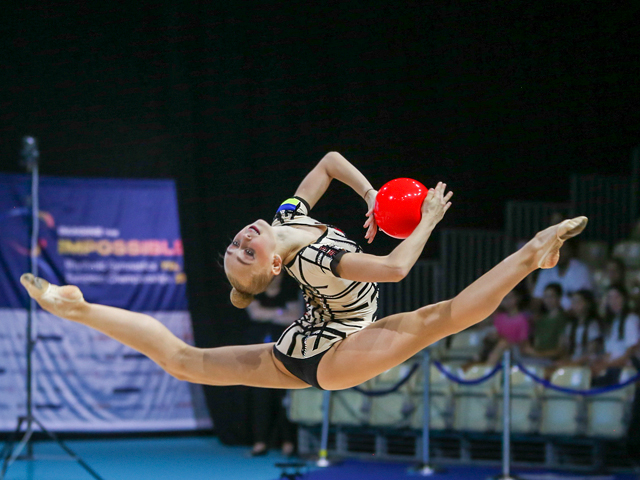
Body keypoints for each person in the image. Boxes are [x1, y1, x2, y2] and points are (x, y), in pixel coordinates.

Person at [18, 152, 589, 393]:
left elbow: (329, 163)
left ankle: (78, 307)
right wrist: (428, 219)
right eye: (245, 255)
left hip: (298, 346)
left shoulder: (288, 219)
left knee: (184, 362)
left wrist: (371, 196)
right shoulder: (316, 259)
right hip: (336, 351)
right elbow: (393, 268)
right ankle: (531, 252)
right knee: (435, 320)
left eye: (235, 244)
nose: (242, 240)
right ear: (273, 265)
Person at [244, 273, 303, 456]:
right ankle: (260, 442)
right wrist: (280, 312)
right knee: (260, 398)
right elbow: (255, 313)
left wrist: (268, 314)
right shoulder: (255, 292)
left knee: (284, 397)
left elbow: (295, 317)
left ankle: (288, 442)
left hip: (284, 354)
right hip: (259, 355)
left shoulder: (290, 292)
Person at [591, 284, 640, 386]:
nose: (613, 301)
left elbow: (629, 354)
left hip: (625, 368)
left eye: (617, 297)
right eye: (610, 298)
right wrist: (599, 362)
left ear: (624, 299)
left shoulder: (630, 320)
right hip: (612, 366)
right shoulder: (611, 323)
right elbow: (609, 353)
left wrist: (606, 365)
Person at [531, 239, 594, 311]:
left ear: (570, 250)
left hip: (574, 317)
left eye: (563, 249)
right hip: (551, 315)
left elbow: (587, 300)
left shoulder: (581, 270)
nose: (559, 253)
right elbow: (537, 299)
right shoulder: (546, 272)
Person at [480, 286, 531, 366]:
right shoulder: (499, 317)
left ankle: (487, 369)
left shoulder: (522, 319)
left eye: (510, 297)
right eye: (505, 298)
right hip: (497, 349)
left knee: (503, 343)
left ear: (517, 299)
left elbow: (523, 343)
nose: (507, 301)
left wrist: (505, 341)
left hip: (514, 350)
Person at [521, 283, 570, 364]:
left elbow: (561, 349)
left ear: (559, 298)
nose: (548, 300)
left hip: (552, 360)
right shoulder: (540, 319)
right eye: (545, 297)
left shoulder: (563, 319)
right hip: (537, 358)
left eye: (551, 296)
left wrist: (537, 354)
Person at [555, 289, 603, 368]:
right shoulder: (570, 325)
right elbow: (565, 349)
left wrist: (571, 363)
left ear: (587, 304)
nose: (574, 305)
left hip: (587, 365)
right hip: (572, 362)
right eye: (573, 302)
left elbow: (591, 353)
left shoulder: (593, 325)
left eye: (578, 302)